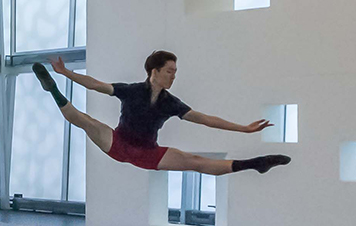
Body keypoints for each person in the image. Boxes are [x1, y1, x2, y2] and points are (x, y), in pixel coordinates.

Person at [33, 51, 290, 176]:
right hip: (118, 143)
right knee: (85, 120)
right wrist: (67, 73)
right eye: (169, 71)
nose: (173, 76)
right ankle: (53, 89)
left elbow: (206, 120)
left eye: (175, 72)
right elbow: (96, 84)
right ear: (153, 71)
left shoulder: (170, 103)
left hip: (148, 153)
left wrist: (244, 128)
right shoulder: (132, 90)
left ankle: (256, 164)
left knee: (196, 162)